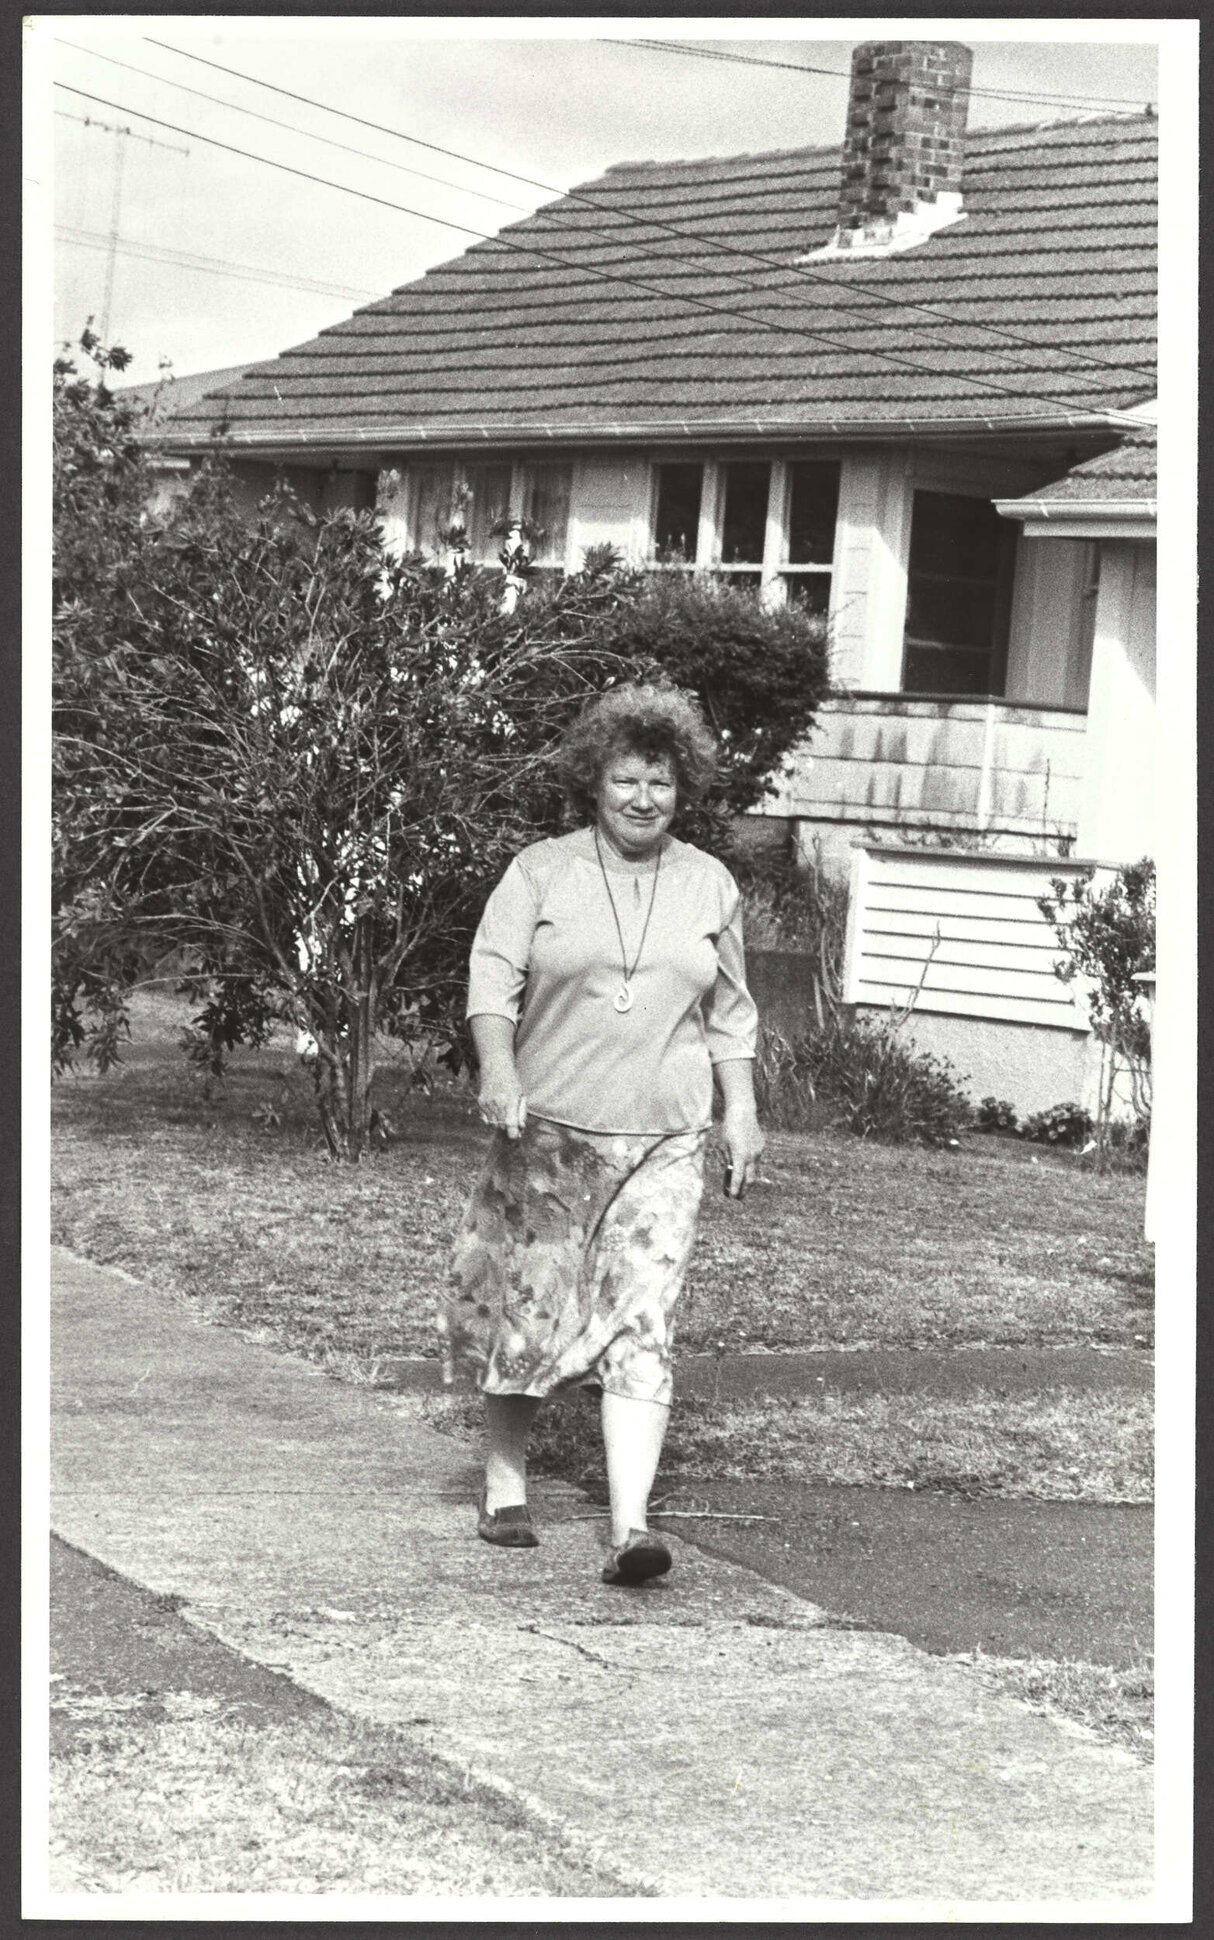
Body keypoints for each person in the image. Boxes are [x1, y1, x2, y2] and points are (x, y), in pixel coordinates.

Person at [438, 682, 764, 1586]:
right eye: (627, 778)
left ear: (682, 788)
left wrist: (740, 1109)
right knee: (530, 1307)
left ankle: (630, 1527)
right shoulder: (540, 871)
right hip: (547, 1132)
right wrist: (498, 1070)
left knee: (644, 1317)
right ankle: (505, 1482)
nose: (644, 797)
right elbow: (489, 981)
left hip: (664, 1138)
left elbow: (731, 1014)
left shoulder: (709, 883)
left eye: (661, 781)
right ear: (596, 782)